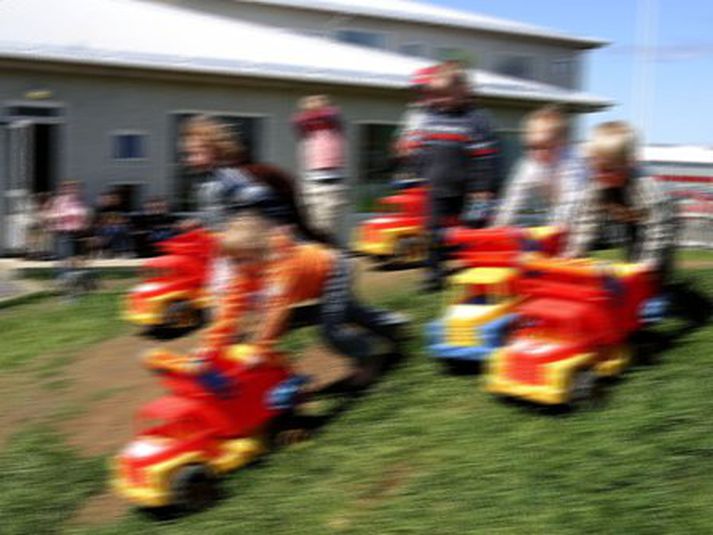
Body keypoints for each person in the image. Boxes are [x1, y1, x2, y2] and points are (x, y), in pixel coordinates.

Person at [410, 62, 501, 291]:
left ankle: (481, 269)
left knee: (475, 230)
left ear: (462, 91)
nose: (438, 100)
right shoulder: (430, 118)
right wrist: (420, 171)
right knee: (432, 232)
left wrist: (483, 188)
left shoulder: (476, 120)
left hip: (472, 192)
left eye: (444, 95)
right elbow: (422, 148)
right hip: (437, 187)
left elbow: (486, 157)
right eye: (435, 95)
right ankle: (433, 275)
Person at [564, 121, 677, 281]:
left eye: (608, 169)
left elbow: (658, 227)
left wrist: (648, 265)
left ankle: (659, 297)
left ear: (630, 164)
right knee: (631, 259)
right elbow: (586, 219)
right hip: (631, 223)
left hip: (657, 226)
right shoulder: (598, 184)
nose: (599, 175)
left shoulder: (646, 189)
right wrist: (576, 251)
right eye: (594, 167)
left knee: (652, 277)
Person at [493, 105, 587, 228]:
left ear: (563, 144)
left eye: (546, 146)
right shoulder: (529, 164)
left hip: (589, 202)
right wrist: (498, 227)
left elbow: (571, 198)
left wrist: (556, 227)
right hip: (559, 203)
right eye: (532, 147)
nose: (538, 153)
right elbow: (513, 197)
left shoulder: (572, 162)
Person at [292, 95, 347, 243]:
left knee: (326, 222)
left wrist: (318, 107)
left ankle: (325, 246)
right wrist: (310, 110)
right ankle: (319, 246)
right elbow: (297, 121)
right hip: (312, 178)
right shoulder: (308, 132)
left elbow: (333, 114)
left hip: (331, 181)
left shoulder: (333, 127)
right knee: (312, 221)